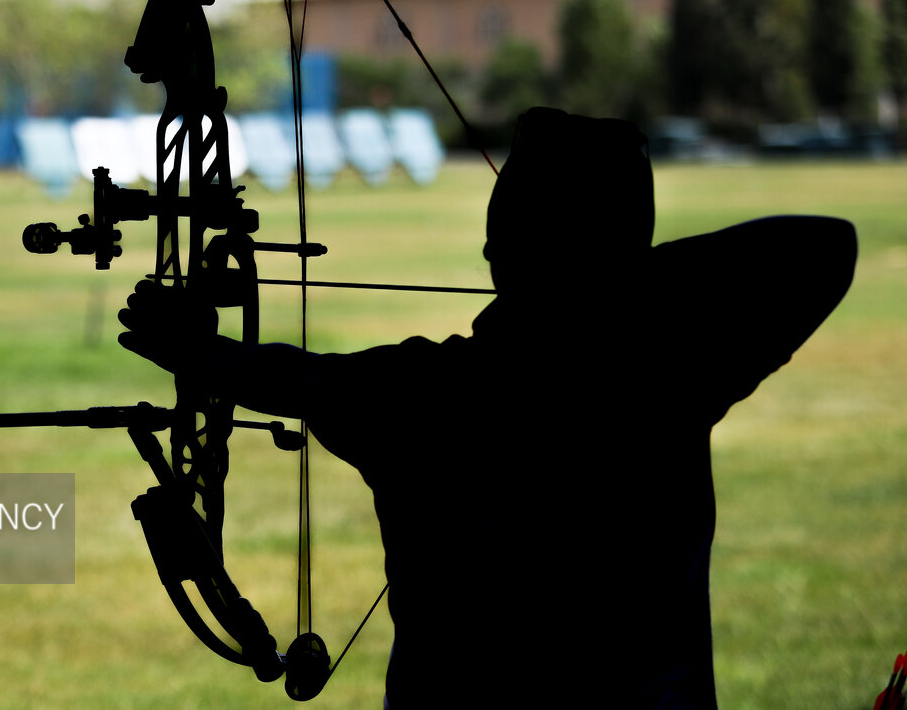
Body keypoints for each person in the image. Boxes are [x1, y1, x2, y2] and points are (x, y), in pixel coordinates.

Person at [119, 107, 857, 708]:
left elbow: (285, 377)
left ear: (495, 253)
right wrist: (615, 274)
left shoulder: (418, 397)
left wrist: (192, 349)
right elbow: (825, 248)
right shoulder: (671, 374)